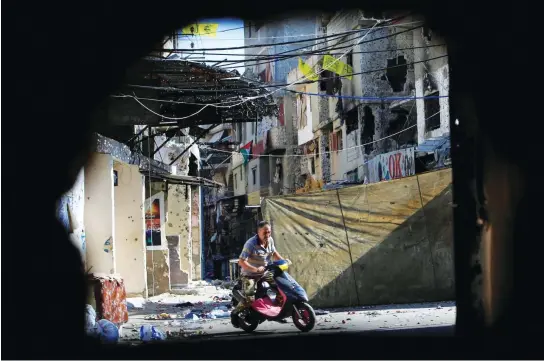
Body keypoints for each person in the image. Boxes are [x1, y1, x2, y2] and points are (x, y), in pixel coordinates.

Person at [238, 221, 284, 303]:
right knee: (249, 300)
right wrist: (256, 269)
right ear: (258, 232)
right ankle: (236, 313)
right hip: (250, 275)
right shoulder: (250, 244)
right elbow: (241, 262)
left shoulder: (270, 240)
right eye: (265, 233)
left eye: (269, 232)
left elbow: (274, 253)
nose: (267, 235)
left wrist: (284, 261)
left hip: (264, 273)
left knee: (282, 287)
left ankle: (275, 308)